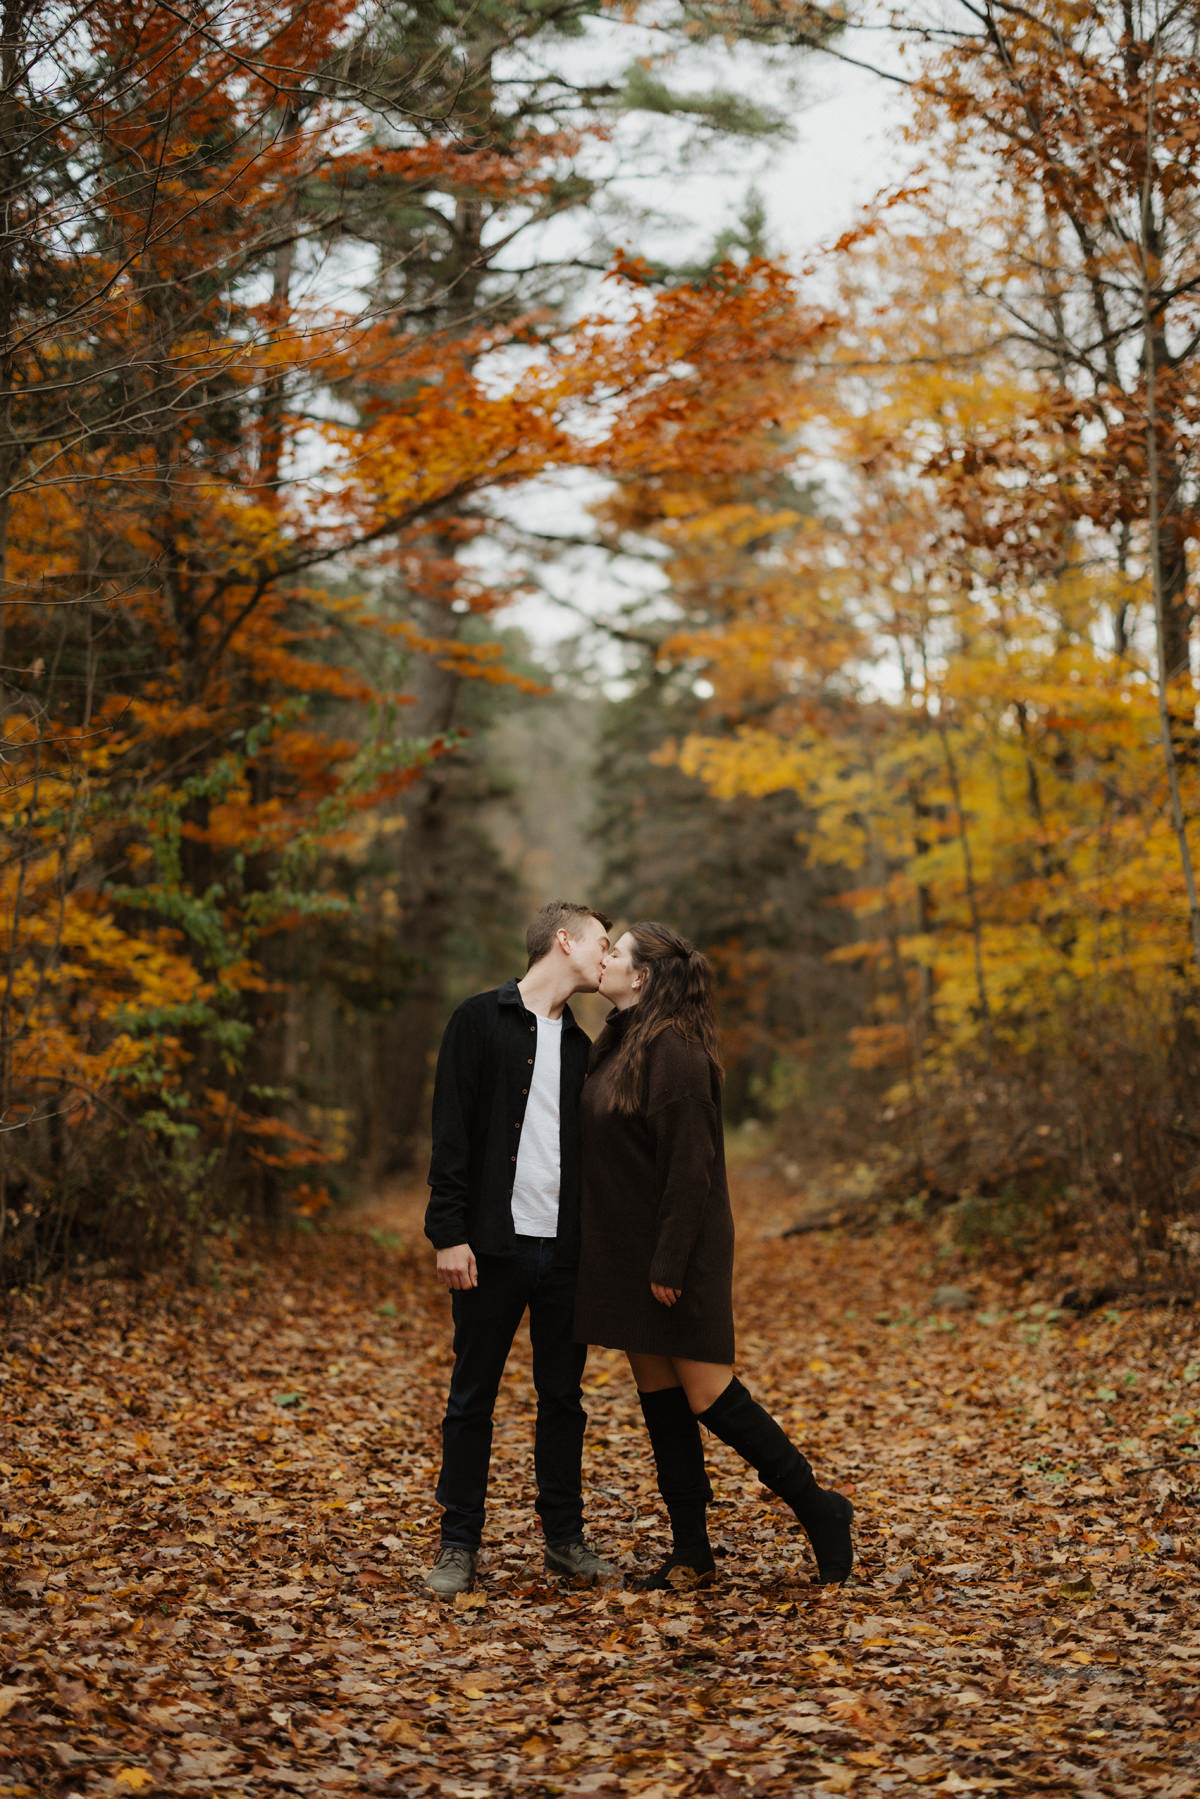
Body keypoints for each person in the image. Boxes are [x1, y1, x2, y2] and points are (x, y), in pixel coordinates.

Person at [575, 921, 853, 1590]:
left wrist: (669, 1263)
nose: (605, 958)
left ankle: (821, 1511)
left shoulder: (675, 1052)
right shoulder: (621, 1040)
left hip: (677, 1254)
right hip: (627, 1254)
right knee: (660, 1399)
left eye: (615, 951)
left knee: (710, 1395)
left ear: (642, 976)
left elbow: (691, 1169)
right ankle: (691, 1550)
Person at [423, 899, 617, 1599]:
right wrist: (448, 1230)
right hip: (492, 1249)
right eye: (601, 942)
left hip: (564, 1253)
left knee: (563, 1400)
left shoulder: (581, 1047)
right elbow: (452, 1133)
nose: (607, 954)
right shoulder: (477, 1021)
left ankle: (565, 1541)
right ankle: (458, 1546)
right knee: (472, 1397)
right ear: (563, 940)